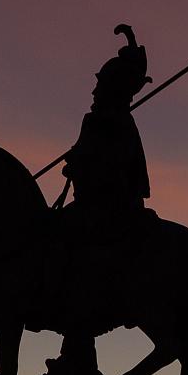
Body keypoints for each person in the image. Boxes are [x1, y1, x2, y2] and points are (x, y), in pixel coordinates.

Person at [59, 24, 153, 251]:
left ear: (112, 89)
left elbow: (115, 168)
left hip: (110, 206)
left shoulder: (115, 122)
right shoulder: (96, 121)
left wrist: (80, 163)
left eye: (99, 84)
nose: (94, 92)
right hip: (91, 203)